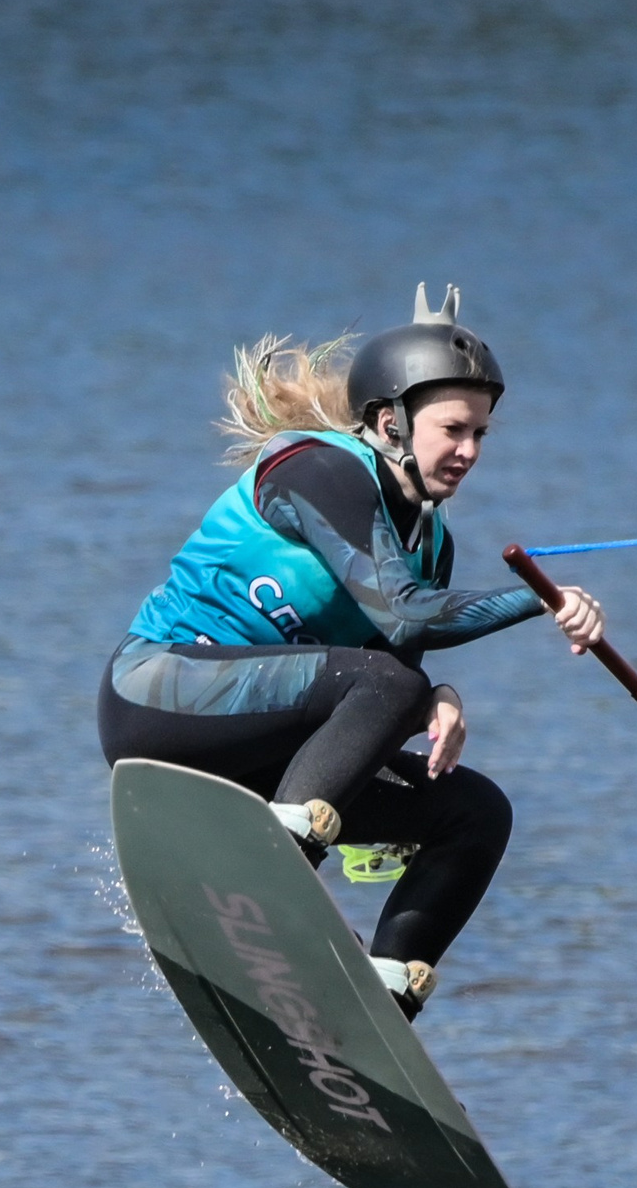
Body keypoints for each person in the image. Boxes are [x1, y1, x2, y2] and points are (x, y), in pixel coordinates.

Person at [99, 286, 607, 1019]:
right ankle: (267, 876)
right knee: (392, 684)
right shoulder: (320, 470)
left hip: (267, 754)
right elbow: (403, 618)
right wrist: (543, 600)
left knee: (475, 812)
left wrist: (440, 697)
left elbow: (394, 660)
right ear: (389, 422)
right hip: (158, 698)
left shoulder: (429, 543)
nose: (469, 452)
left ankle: (383, 1003)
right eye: (453, 429)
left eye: (481, 434)